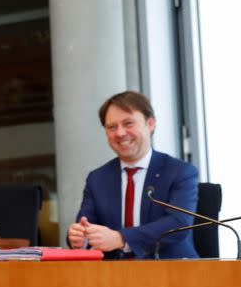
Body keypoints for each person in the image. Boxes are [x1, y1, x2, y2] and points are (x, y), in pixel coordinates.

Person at [68, 91, 198, 258]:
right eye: (112, 127)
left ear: (150, 124)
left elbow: (179, 224)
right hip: (112, 277)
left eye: (128, 123)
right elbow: (86, 225)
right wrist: (80, 238)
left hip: (171, 273)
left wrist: (121, 238)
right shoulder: (97, 179)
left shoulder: (180, 172)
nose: (120, 133)